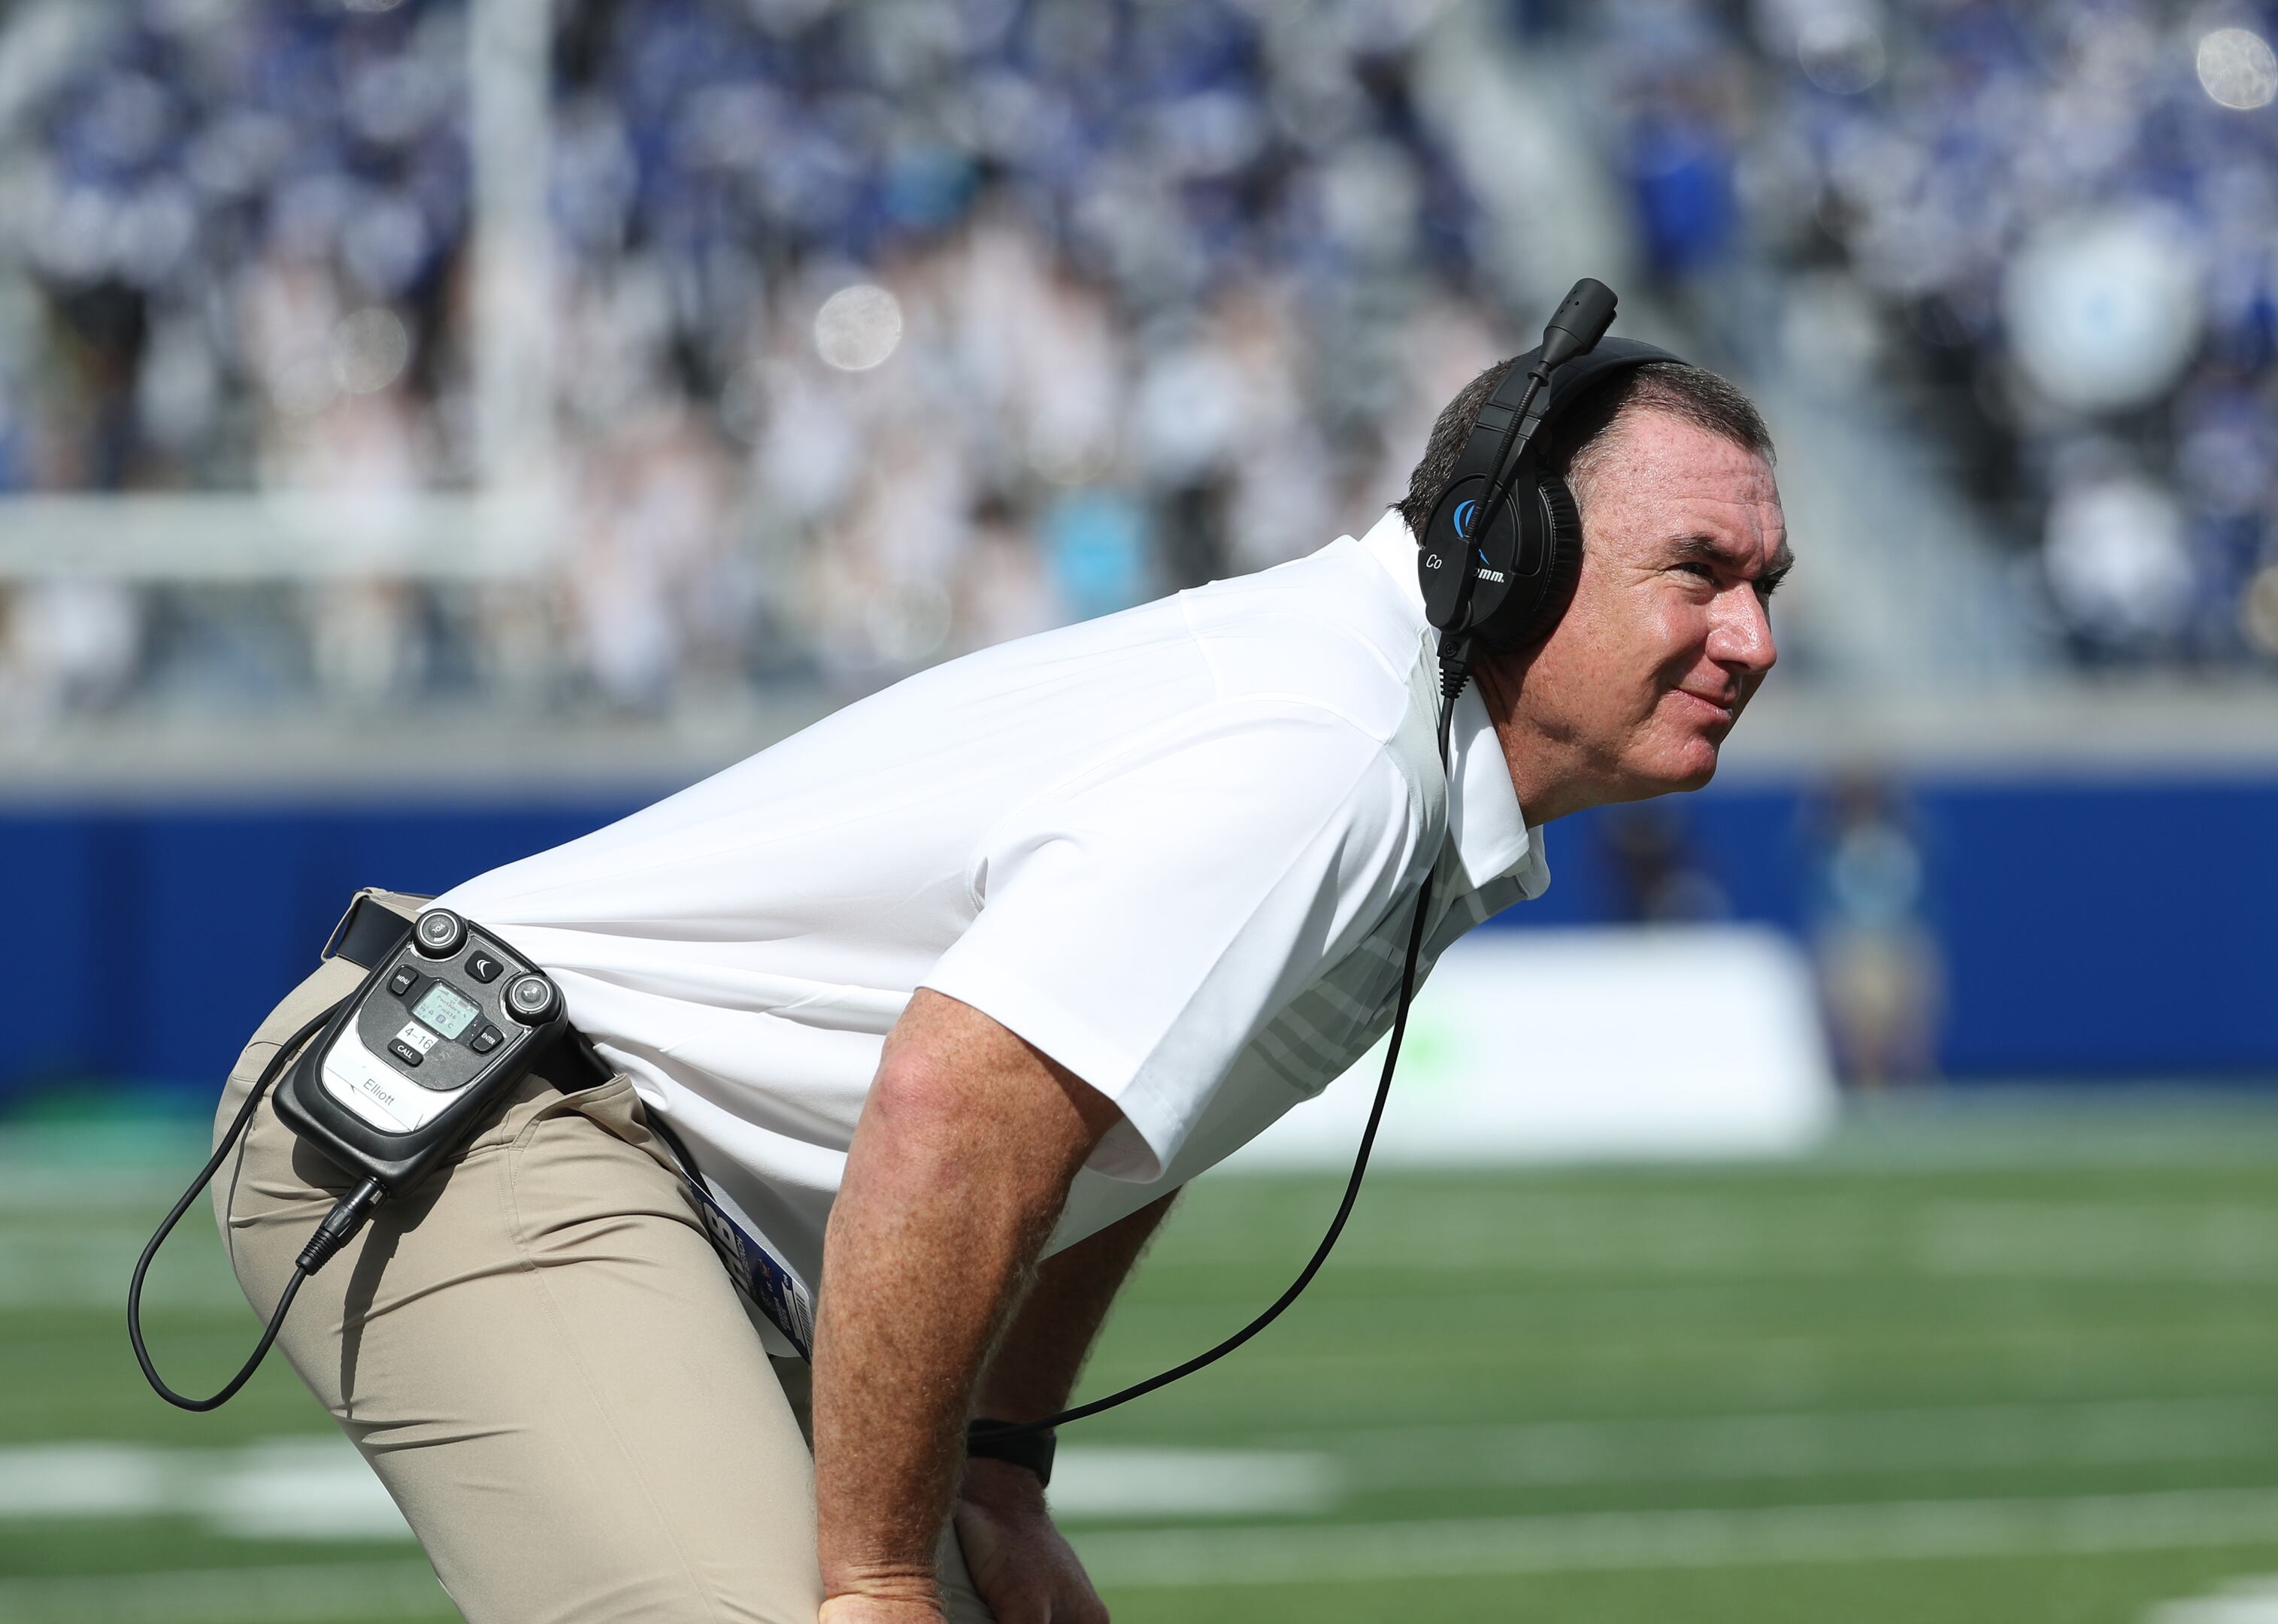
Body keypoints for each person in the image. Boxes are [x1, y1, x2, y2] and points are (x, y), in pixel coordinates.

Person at [209, 345, 1789, 1624]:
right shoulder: (1324, 753)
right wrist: (885, 1574)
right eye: (1701, 570)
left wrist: (995, 1466)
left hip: (627, 1168)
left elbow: (1126, 1119)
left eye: (1766, 583)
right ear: (1507, 556)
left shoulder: (1380, 741)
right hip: (489, 1120)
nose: (1753, 637)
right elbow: (957, 1107)